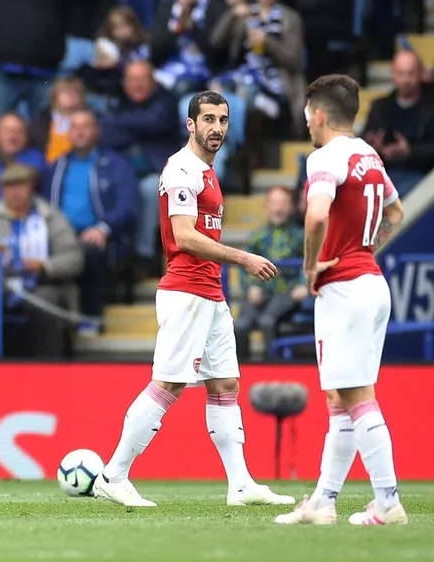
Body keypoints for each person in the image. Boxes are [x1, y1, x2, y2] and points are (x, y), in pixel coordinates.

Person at [93, 91, 295, 508]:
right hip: (186, 292)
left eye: (223, 120)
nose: (216, 127)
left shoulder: (206, 170)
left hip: (210, 292)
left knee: (225, 384)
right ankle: (113, 474)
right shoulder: (182, 169)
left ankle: (240, 485)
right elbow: (184, 236)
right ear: (190, 124)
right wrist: (243, 257)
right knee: (168, 384)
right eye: (208, 119)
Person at [274, 75, 408, 526]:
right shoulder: (368, 155)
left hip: (345, 290)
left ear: (318, 115)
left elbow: (316, 215)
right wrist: (366, 248)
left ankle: (387, 501)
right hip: (369, 282)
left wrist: (311, 266)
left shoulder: (324, 157)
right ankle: (323, 501)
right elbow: (395, 212)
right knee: (341, 397)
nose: (306, 123)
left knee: (357, 396)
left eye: (307, 115)